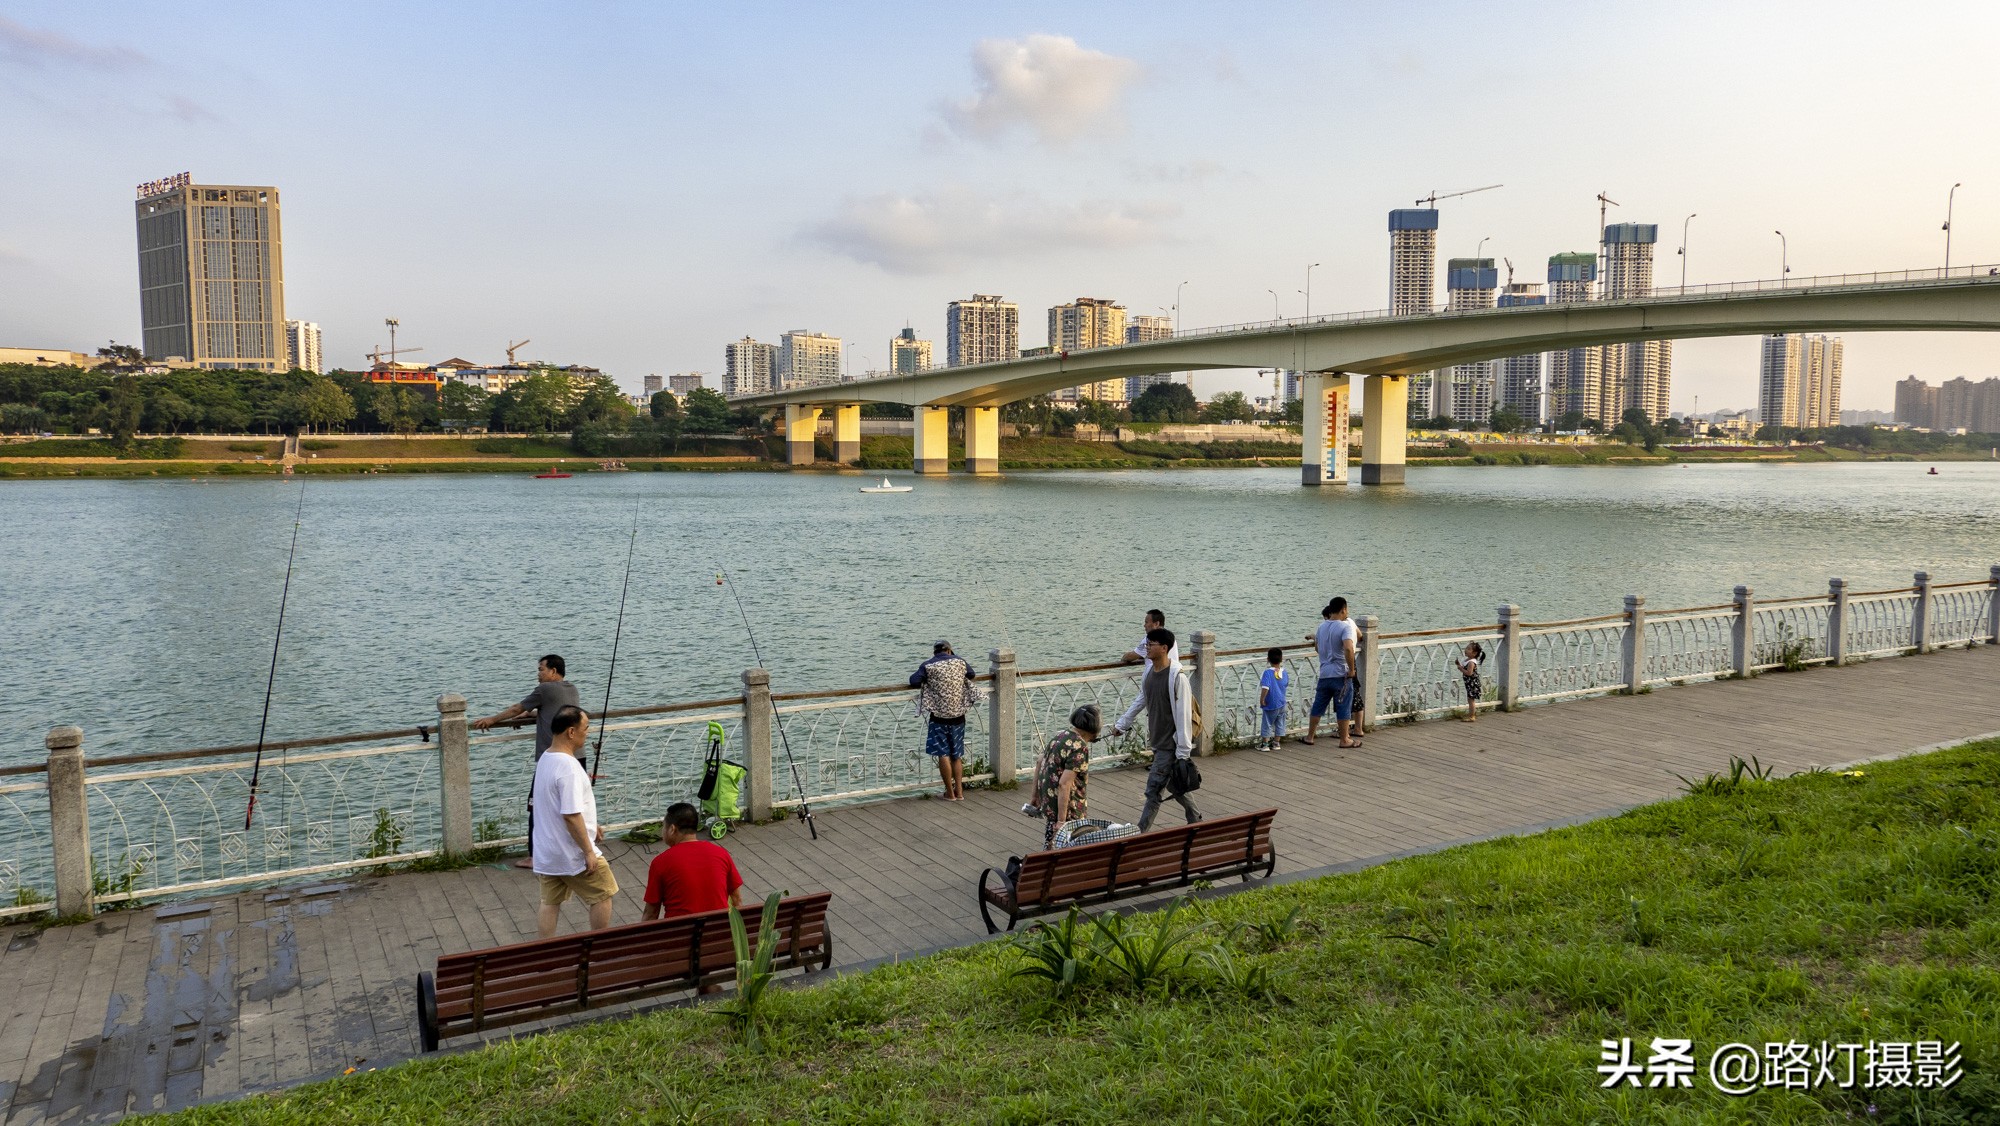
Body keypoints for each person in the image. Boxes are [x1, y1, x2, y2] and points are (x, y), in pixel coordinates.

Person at [474, 654, 581, 868]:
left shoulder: (545, 690)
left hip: (552, 760)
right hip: (577, 757)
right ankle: (577, 850)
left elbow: (517, 708)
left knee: (537, 806)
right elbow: (555, 715)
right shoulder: (572, 689)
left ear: (553, 671)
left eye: (541, 669)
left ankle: (534, 856)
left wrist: (492, 720)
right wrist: (534, 717)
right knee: (573, 807)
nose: (538, 673)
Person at [531, 706, 616, 938]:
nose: (587, 733)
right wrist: (588, 851)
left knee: (549, 902)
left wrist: (591, 825)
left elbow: (557, 805)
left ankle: (545, 953)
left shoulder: (546, 759)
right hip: (571, 852)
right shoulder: (569, 767)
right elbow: (570, 814)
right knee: (604, 892)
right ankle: (598, 946)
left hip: (548, 851)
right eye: (585, 728)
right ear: (571, 732)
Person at [1112, 628, 1201, 831]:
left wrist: (1183, 752)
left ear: (1164, 648)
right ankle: (1196, 821)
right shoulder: (1149, 673)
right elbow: (1141, 699)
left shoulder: (1177, 678)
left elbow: (1184, 716)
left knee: (1153, 790)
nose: (1147, 647)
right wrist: (1122, 724)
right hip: (1158, 742)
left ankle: (1140, 832)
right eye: (1147, 643)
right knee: (1175, 786)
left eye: (1151, 644)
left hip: (1170, 744)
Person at [642, 803, 744, 921]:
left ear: (672, 829)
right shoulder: (721, 854)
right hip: (719, 933)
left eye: (663, 826)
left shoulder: (660, 863)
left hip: (681, 936)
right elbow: (737, 900)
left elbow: (651, 913)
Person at [911, 640, 977, 802]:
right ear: (949, 651)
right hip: (958, 716)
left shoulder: (928, 665)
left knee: (943, 754)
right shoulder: (959, 661)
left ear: (934, 652)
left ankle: (949, 793)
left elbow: (913, 681)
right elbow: (971, 674)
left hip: (939, 717)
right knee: (957, 754)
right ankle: (959, 792)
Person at [1029, 705, 1098, 848]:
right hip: (1070, 809)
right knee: (1071, 846)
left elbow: (1039, 762)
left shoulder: (1060, 737)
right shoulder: (1080, 747)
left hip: (1049, 802)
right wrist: (1061, 821)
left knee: (1051, 843)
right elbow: (1064, 784)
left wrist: (1034, 796)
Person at [1305, 598, 1359, 749]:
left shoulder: (1321, 627)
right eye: (1346, 610)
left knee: (1318, 705)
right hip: (1340, 674)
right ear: (1343, 610)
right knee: (1343, 706)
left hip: (1324, 673)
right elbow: (1348, 648)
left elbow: (1318, 648)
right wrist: (1352, 669)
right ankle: (1344, 739)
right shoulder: (1345, 627)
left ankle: (1310, 736)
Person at [1257, 648, 1289, 751]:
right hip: (1282, 702)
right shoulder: (1284, 672)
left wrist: (1262, 699)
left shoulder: (1267, 673)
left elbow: (1265, 687)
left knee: (1267, 722)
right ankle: (1276, 743)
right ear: (1281, 659)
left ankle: (1265, 744)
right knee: (1280, 722)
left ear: (1268, 659)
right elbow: (1286, 684)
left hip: (1271, 703)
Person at [1458, 641, 1486, 723]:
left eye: (1469, 649)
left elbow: (1469, 673)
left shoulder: (1471, 662)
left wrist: (1461, 669)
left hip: (1472, 683)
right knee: (1470, 699)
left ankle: (1472, 716)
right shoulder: (1468, 660)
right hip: (1469, 683)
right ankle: (1471, 714)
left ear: (1474, 653)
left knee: (1471, 700)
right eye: (1466, 648)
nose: (1466, 650)